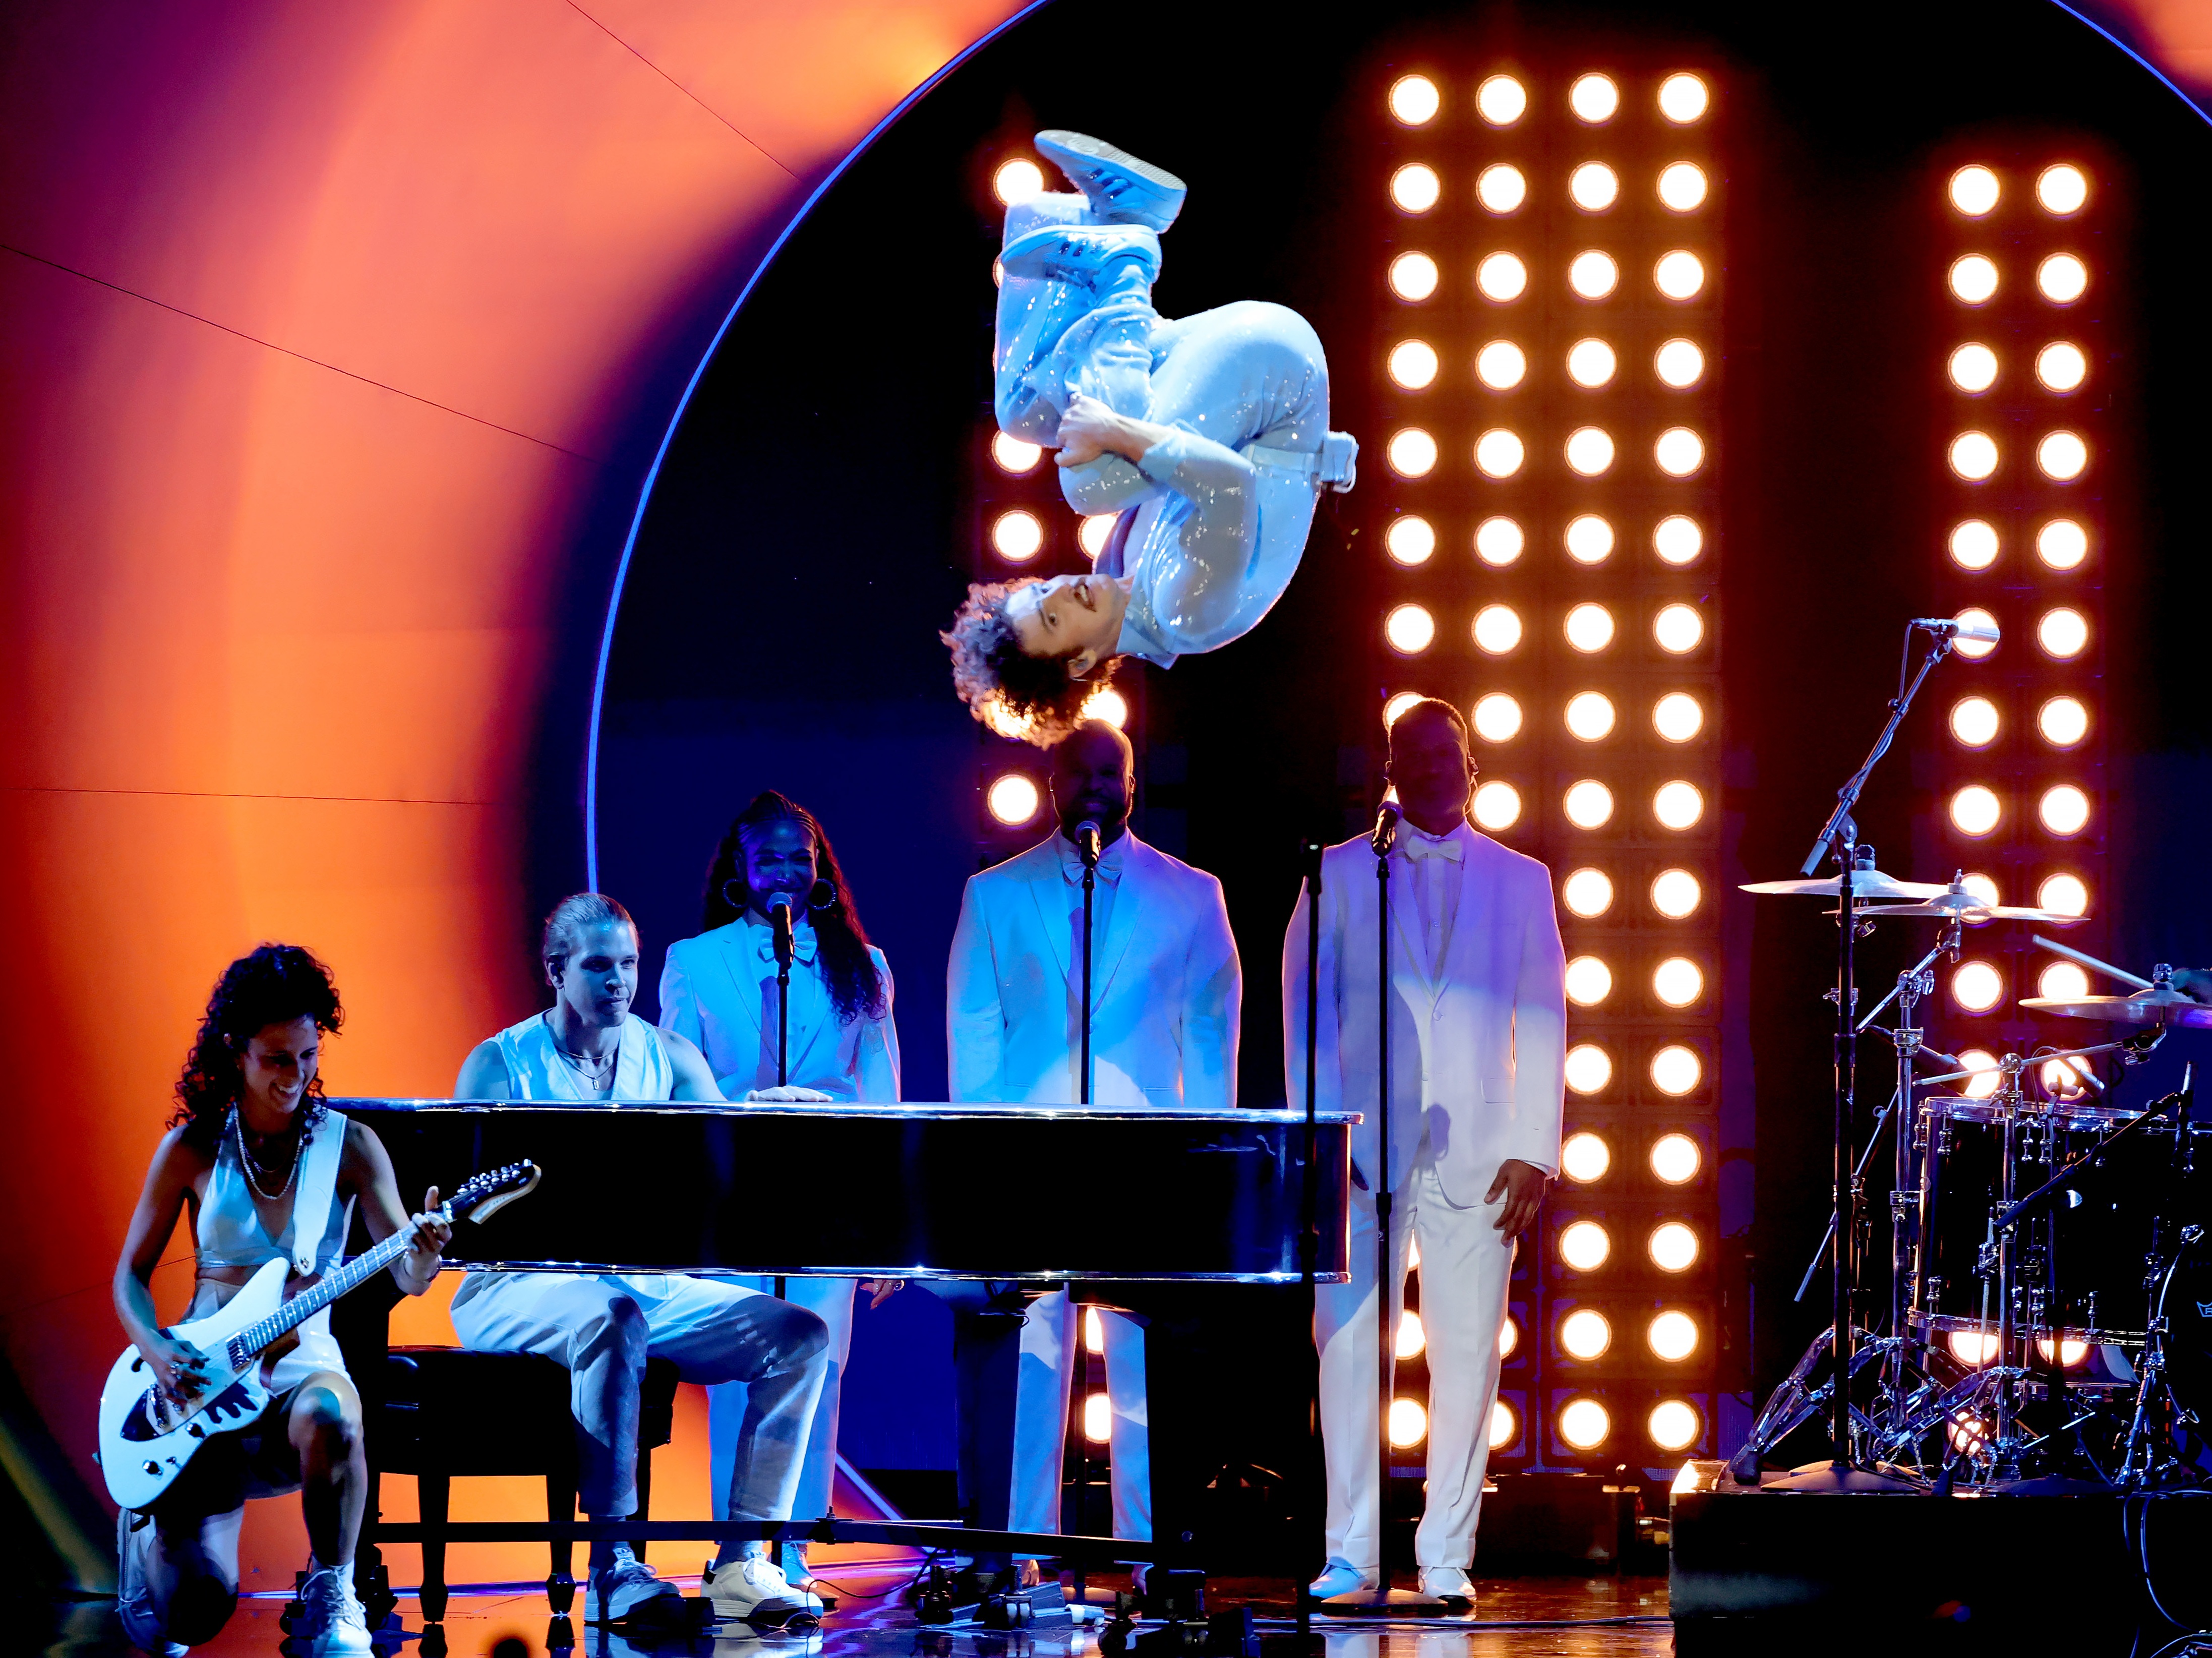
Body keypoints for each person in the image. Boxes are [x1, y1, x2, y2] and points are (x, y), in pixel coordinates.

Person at [449, 894, 831, 1627]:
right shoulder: (499, 1063)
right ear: (556, 970)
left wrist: (762, 1112)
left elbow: (718, 1144)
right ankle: (616, 1561)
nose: (618, 981)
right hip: (519, 1287)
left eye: (628, 964)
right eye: (598, 966)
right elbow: (467, 1213)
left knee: (799, 1338)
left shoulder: (667, 1055)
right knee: (611, 1314)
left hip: (638, 1286)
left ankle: (745, 1560)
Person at [1284, 699, 1567, 1609]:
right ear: (1390, 768)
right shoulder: (1335, 873)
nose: (1432, 768)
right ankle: (1351, 1551)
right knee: (1349, 1349)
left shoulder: (1521, 878)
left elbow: (1546, 1016)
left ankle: (1445, 1553)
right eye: (1414, 754)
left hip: (1480, 1150)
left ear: (1472, 766)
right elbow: (1304, 1016)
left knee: (1468, 1354)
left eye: (1447, 754)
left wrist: (1534, 1146)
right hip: (1361, 1153)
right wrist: (1319, 1141)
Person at [944, 718, 1241, 1579]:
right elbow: (976, 1031)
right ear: (1049, 784)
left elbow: (1208, 1034)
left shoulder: (1193, 893)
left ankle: (1149, 1555)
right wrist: (980, 1157)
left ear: (1135, 782)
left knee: (1142, 1365)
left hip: (1148, 1168)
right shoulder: (995, 894)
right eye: (1080, 772)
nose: (1097, 787)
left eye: (1112, 772)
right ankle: (1022, 1558)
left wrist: (1207, 1164)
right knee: (1034, 1359)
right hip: (1028, 1165)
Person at [942, 130, 1357, 746]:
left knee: (1025, 413)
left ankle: (1093, 217)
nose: (1062, 590)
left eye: (1041, 593)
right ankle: (1126, 258)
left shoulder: (1116, 566)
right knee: (1095, 483)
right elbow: (1229, 484)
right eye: (1053, 619)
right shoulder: (1185, 615)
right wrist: (1112, 432)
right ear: (1079, 662)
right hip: (1276, 375)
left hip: (1225, 371)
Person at [113, 944, 452, 1657]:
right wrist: (155, 1347)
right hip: (200, 1373)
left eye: (307, 1055)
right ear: (235, 1051)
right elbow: (129, 1277)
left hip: (303, 1357)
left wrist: (423, 1252)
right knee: (188, 1617)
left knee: (335, 1410)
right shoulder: (193, 1147)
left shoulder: (351, 1146)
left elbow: (408, 1274)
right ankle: (148, 1532)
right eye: (276, 1058)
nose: (295, 1076)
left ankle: (335, 1591)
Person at [659, 793, 901, 1595]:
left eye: (800, 857)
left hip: (830, 1200)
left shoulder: (861, 967)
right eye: (769, 857)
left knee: (818, 1368)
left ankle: (791, 1545)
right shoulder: (694, 961)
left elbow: (882, 1098)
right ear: (739, 868)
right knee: (740, 1370)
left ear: (819, 868)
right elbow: (677, 1094)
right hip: (736, 1197)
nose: (786, 872)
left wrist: (886, 1226)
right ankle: (738, 1548)